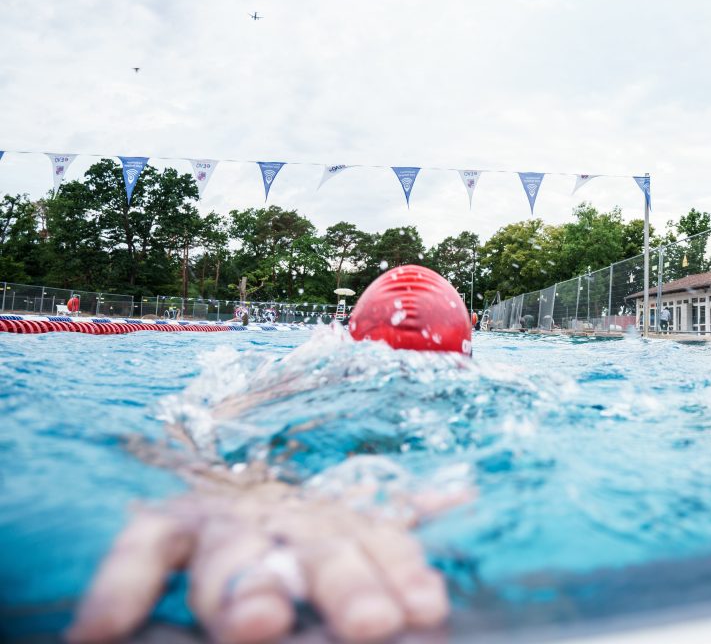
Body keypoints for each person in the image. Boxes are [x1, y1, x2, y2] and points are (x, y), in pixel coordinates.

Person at [68, 265, 474, 643]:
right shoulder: (301, 378)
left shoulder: (301, 379)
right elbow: (189, 427)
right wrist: (243, 489)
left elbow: (178, 426)